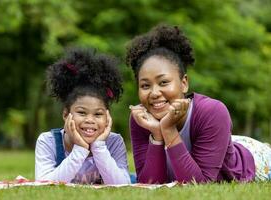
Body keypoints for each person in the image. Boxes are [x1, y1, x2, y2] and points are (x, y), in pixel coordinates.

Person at [126, 24, 271, 183]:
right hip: (221, 142)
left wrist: (168, 129)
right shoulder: (141, 119)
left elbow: (199, 184)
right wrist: (157, 135)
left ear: (184, 83)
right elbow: (148, 184)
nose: (154, 93)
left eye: (163, 82)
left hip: (254, 160)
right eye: (145, 86)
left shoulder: (212, 111)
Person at [35, 48, 131, 184]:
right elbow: (44, 184)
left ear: (107, 118)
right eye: (82, 112)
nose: (90, 120)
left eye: (98, 114)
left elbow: (123, 185)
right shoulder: (48, 141)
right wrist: (80, 149)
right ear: (66, 114)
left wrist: (98, 147)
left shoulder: (114, 142)